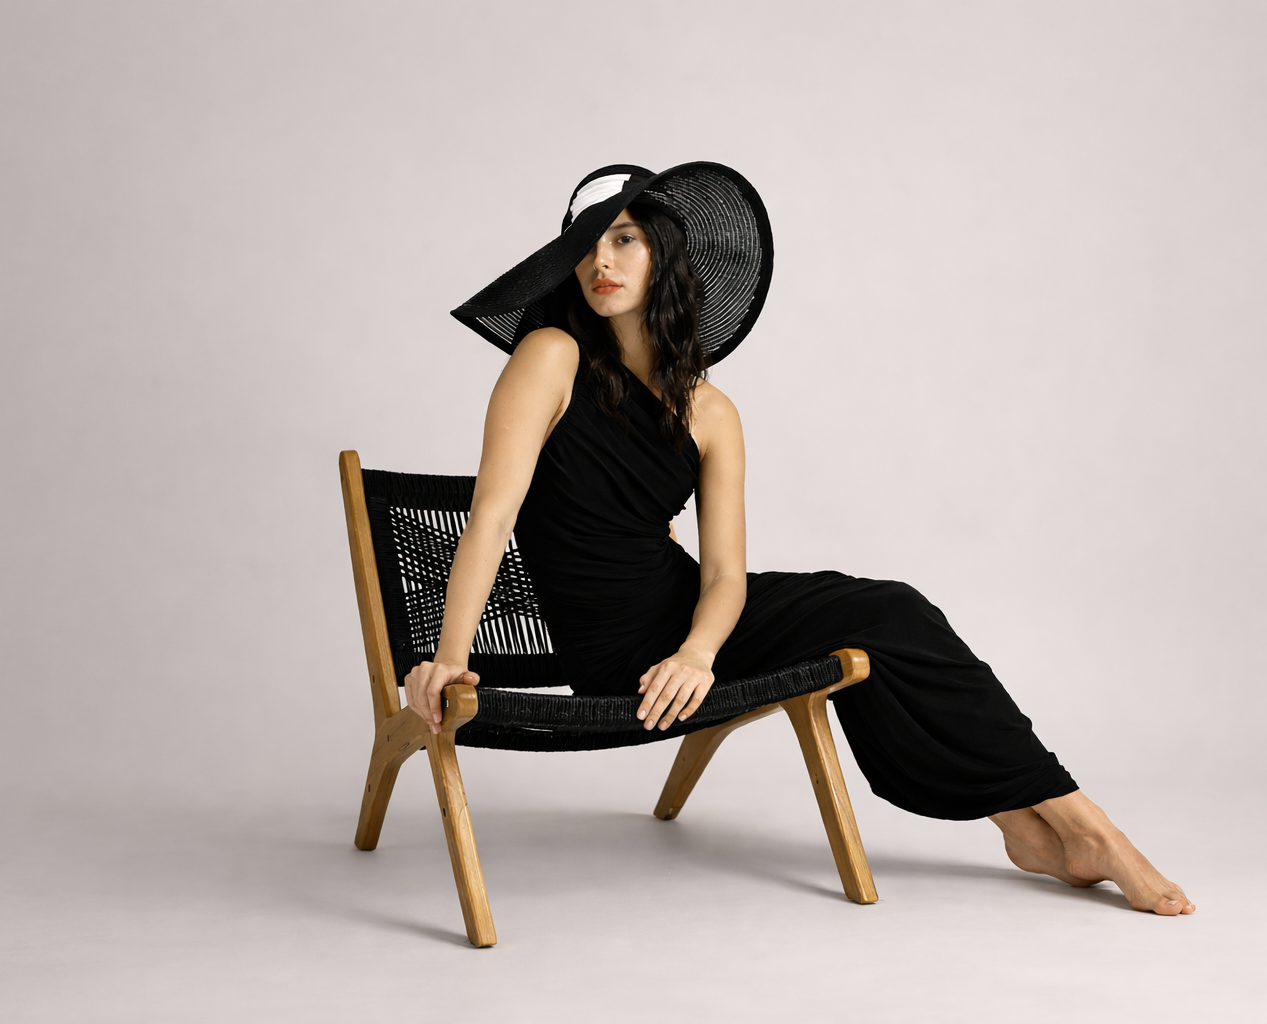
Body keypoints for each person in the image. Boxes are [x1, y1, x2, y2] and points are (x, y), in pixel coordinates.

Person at [405, 163, 1193, 916]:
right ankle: (1085, 833)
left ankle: (1036, 825)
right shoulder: (551, 357)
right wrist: (447, 659)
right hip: (616, 651)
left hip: (690, 627)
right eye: (585, 246)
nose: (599, 262)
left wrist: (699, 654)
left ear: (664, 257)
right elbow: (493, 518)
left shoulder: (710, 411)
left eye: (623, 239)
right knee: (886, 620)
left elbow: (722, 577)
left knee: (892, 613)